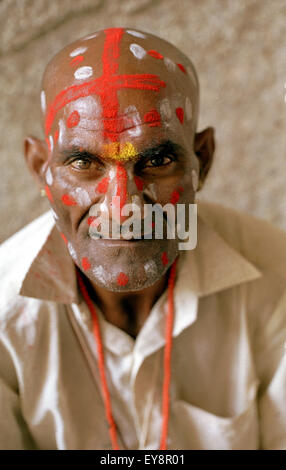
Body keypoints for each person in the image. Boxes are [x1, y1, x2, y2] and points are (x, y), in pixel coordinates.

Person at [0, 27, 286, 450]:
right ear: (42, 168)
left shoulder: (275, 279)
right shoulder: (6, 314)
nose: (122, 206)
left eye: (157, 160)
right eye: (83, 162)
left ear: (201, 161)